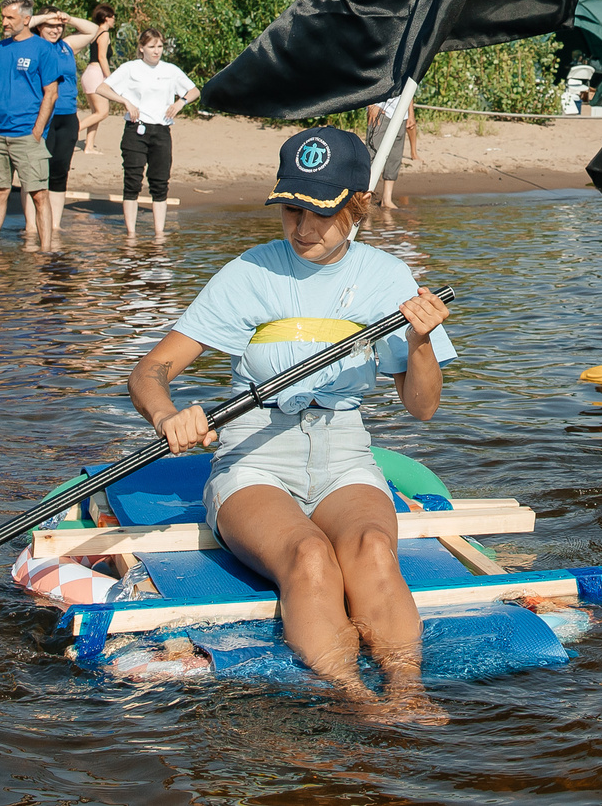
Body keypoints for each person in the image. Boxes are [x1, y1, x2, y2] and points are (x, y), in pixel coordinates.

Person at [125, 126, 454, 722]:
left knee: (375, 549)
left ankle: (407, 691)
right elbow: (149, 372)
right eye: (292, 210)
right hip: (253, 455)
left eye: (320, 214)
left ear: (356, 204)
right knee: (308, 556)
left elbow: (423, 408)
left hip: (345, 450)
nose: (302, 228)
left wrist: (421, 343)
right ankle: (353, 699)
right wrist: (168, 414)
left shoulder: (389, 279)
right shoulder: (248, 275)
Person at [0, 0, 63, 250]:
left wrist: (37, 130)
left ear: (26, 20)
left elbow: (51, 92)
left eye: (10, 18)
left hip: (27, 134)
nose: (4, 22)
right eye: (3, 16)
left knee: (39, 194)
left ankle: (45, 250)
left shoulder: (43, 49)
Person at [104, 25, 199, 240]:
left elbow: (193, 90)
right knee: (132, 180)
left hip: (161, 130)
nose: (156, 51)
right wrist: (125, 101)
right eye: (151, 47)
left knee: (160, 181)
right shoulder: (130, 68)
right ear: (141, 48)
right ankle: (131, 233)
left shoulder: (170, 70)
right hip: (136, 129)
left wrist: (180, 103)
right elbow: (103, 88)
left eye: (159, 46)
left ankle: (159, 233)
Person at [30, 10, 91, 241]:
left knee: (59, 172)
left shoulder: (66, 47)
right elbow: (20, 27)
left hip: (67, 116)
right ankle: (31, 226)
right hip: (43, 115)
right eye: (49, 26)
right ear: (39, 27)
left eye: (59, 26)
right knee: (36, 173)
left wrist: (67, 18)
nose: (55, 30)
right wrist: (42, 18)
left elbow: (93, 30)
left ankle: (54, 225)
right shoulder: (33, 45)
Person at [362, 89, 418, 212]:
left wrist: (410, 114)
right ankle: (365, 197)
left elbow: (409, 85)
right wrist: (371, 105)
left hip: (401, 112)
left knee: (395, 155)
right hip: (380, 110)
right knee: (372, 153)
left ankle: (387, 199)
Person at [77, 4, 120, 152]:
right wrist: (109, 78)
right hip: (96, 73)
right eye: (113, 17)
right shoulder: (104, 34)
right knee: (103, 112)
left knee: (96, 113)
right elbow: (102, 57)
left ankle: (89, 146)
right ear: (107, 18)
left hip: (90, 72)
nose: (114, 20)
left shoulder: (95, 33)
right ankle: (74, 131)